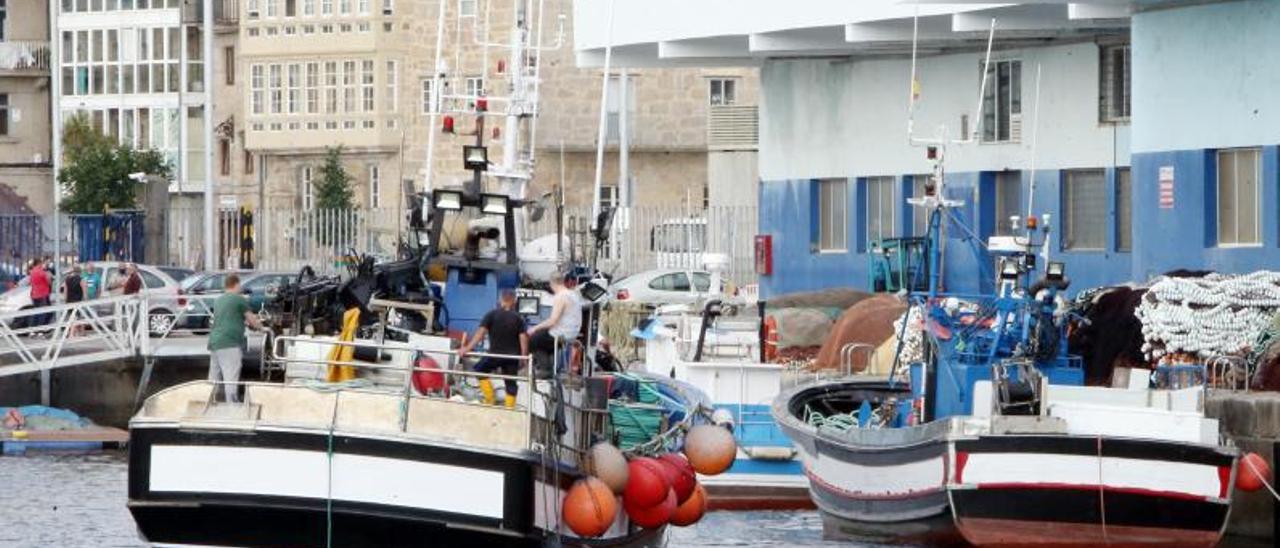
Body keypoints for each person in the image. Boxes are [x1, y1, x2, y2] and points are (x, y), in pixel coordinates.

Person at [459, 290, 529, 408]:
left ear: (500, 300)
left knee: (479, 369)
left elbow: (480, 334)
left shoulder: (491, 314)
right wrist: (523, 357)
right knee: (511, 383)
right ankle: (509, 409)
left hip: (494, 355)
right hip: (512, 357)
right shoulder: (518, 318)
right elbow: (524, 339)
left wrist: (466, 348)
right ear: (514, 301)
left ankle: (490, 398)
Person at [207, 274, 266, 402]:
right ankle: (232, 406)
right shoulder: (238, 299)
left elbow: (227, 319)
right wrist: (262, 327)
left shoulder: (218, 300)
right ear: (236, 285)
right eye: (240, 285)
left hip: (214, 342)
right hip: (230, 342)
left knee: (214, 377)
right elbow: (252, 319)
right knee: (231, 376)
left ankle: (209, 402)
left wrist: (243, 323)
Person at [528, 273, 583, 373]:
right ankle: (551, 366)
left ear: (552, 283)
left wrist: (535, 328)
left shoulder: (560, 297)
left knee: (533, 340)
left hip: (562, 334)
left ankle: (545, 369)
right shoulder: (574, 294)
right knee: (544, 339)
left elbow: (553, 321)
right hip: (572, 333)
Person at [60, 265, 88, 337]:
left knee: (74, 317)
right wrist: (85, 299)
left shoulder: (67, 280)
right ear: (80, 272)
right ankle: (71, 334)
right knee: (76, 317)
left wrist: (65, 301)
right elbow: (85, 291)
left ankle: (82, 332)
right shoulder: (81, 279)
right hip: (78, 300)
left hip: (69, 301)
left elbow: (65, 292)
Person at [27, 259, 52, 334]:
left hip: (34, 294)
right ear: (39, 263)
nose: (42, 265)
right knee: (43, 313)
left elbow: (29, 282)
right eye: (41, 263)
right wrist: (49, 276)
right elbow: (49, 282)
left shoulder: (32, 272)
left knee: (36, 312)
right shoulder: (42, 272)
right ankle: (41, 330)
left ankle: (32, 330)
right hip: (43, 294)